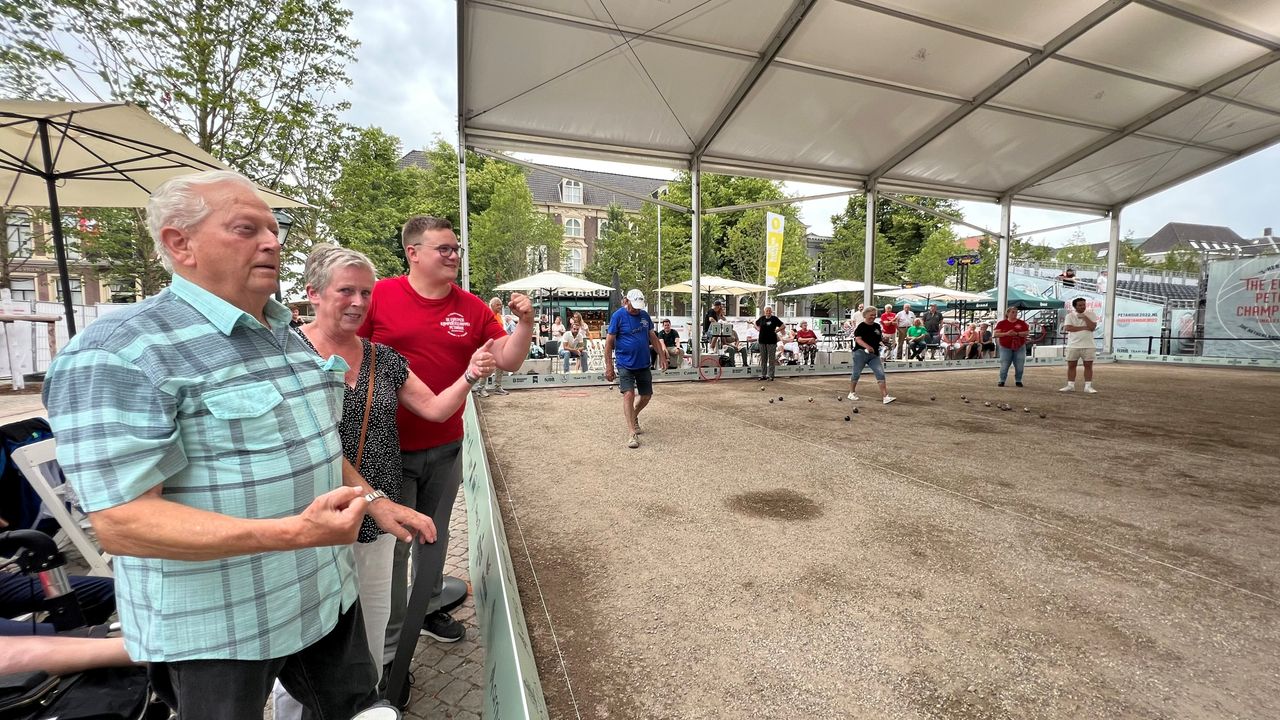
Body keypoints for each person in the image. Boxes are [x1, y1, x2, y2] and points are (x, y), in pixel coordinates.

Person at [42, 170, 434, 719]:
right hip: (221, 627)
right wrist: (294, 533)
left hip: (322, 596)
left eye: (275, 231)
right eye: (246, 229)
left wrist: (375, 501)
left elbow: (318, 445)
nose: (272, 242)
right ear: (180, 244)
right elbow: (121, 523)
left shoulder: (282, 335)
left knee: (361, 709)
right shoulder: (121, 350)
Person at [271, 245, 496, 718]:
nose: (357, 301)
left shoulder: (383, 359)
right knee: (303, 641)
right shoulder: (284, 353)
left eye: (366, 293)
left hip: (376, 519)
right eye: (345, 291)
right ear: (313, 293)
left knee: (371, 629)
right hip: (308, 521)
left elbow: (435, 408)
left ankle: (363, 704)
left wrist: (471, 373)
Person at [358, 217, 534, 663]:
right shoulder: (379, 295)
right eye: (444, 248)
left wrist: (525, 324)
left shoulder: (472, 307)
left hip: (446, 445)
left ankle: (430, 607)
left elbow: (508, 361)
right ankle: (392, 653)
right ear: (413, 253)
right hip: (385, 450)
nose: (454, 255)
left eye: (456, 247)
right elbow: (347, 352)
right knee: (393, 546)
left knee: (433, 538)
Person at [605, 289, 667, 449]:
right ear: (627, 301)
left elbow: (652, 336)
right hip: (624, 363)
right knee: (629, 394)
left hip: (643, 363)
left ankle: (633, 415)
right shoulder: (618, 316)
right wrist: (609, 366)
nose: (636, 309)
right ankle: (632, 433)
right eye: (634, 306)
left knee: (646, 396)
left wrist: (662, 356)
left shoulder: (644, 316)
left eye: (639, 306)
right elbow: (609, 343)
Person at [848, 306, 895, 404]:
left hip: (874, 355)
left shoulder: (877, 326)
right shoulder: (861, 326)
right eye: (871, 315)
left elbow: (878, 339)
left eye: (874, 315)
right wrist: (867, 347)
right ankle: (851, 392)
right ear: (865, 315)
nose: (873, 317)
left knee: (880, 373)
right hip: (860, 353)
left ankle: (885, 396)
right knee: (856, 373)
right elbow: (858, 339)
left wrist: (884, 343)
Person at [1061, 297, 1099, 393]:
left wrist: (1085, 317)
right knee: (1071, 365)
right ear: (1075, 306)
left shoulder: (1091, 314)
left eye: (1084, 305)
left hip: (1088, 345)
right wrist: (1084, 327)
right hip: (1073, 345)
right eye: (1080, 305)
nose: (1083, 307)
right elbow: (1068, 328)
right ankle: (1070, 385)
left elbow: (1092, 327)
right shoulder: (1069, 316)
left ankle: (1088, 386)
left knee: (1088, 366)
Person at [475, 297, 510, 396]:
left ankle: (497, 387)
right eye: (498, 304)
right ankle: (480, 388)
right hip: (488, 345)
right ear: (492, 305)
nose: (500, 306)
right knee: (486, 366)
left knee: (500, 366)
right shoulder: (486, 315)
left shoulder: (499, 316)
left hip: (498, 346)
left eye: (500, 304)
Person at [994, 306, 1030, 387]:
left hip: (1019, 346)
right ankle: (1002, 380)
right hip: (1005, 346)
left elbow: (1027, 332)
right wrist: (1006, 334)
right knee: (1005, 364)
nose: (1015, 314)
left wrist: (1017, 334)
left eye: (1016, 312)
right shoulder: (1001, 323)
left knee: (1020, 364)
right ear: (1008, 313)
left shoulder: (1022, 323)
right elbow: (995, 334)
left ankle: (1018, 380)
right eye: (1012, 312)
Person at [754, 306, 784, 381]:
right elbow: (755, 324)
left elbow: (783, 325)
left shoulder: (774, 318)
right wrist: (758, 329)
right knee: (763, 358)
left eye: (769, 310)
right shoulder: (762, 318)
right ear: (764, 311)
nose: (768, 312)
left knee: (771, 359)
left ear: (771, 311)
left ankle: (771, 375)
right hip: (762, 340)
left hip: (771, 341)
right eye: (767, 310)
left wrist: (777, 330)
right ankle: (763, 375)